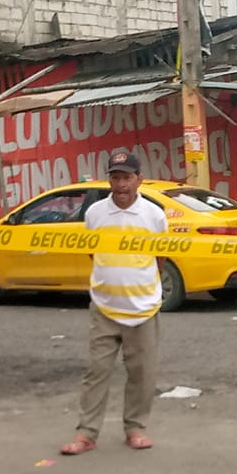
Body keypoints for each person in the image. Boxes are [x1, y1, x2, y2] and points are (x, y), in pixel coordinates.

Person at [60, 150, 166, 454]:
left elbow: (160, 258)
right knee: (96, 372)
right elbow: (93, 253)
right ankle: (86, 433)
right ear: (109, 180)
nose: (121, 184)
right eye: (116, 177)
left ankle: (136, 428)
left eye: (127, 177)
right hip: (104, 307)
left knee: (142, 374)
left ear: (139, 180)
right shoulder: (95, 213)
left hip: (143, 308)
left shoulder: (154, 215)